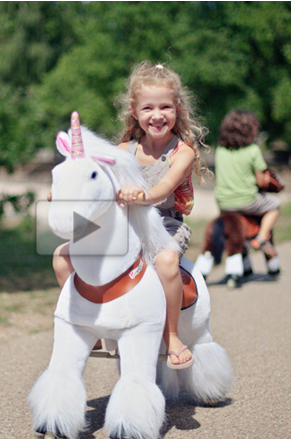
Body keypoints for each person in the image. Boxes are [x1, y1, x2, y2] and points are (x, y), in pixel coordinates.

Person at [53, 61, 211, 369]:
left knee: (165, 262)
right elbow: (95, 179)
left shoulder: (183, 151)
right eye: (148, 108)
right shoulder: (123, 149)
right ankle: (87, 322)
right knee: (61, 255)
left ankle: (173, 335)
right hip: (122, 221)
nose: (157, 115)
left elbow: (164, 189)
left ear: (176, 109)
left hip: (163, 223)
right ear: (135, 112)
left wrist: (142, 195)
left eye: (165, 106)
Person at [213, 110, 281, 286]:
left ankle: (243, 268)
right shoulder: (253, 150)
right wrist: (267, 179)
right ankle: (262, 237)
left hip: (224, 203)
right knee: (274, 204)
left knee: (236, 232)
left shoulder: (220, 150)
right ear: (250, 130)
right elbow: (260, 181)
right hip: (247, 200)